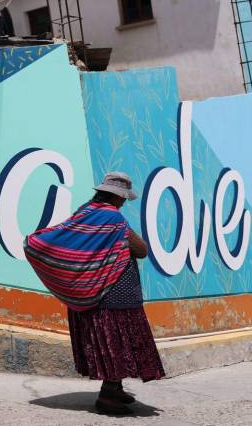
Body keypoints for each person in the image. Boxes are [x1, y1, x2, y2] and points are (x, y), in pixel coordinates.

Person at [24, 171, 165, 415]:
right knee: (117, 343)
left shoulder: (84, 213)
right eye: (123, 198)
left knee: (107, 342)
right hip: (115, 293)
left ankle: (116, 388)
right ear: (118, 197)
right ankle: (107, 397)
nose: (124, 202)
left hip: (93, 293)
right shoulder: (114, 219)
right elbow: (141, 250)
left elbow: (57, 238)